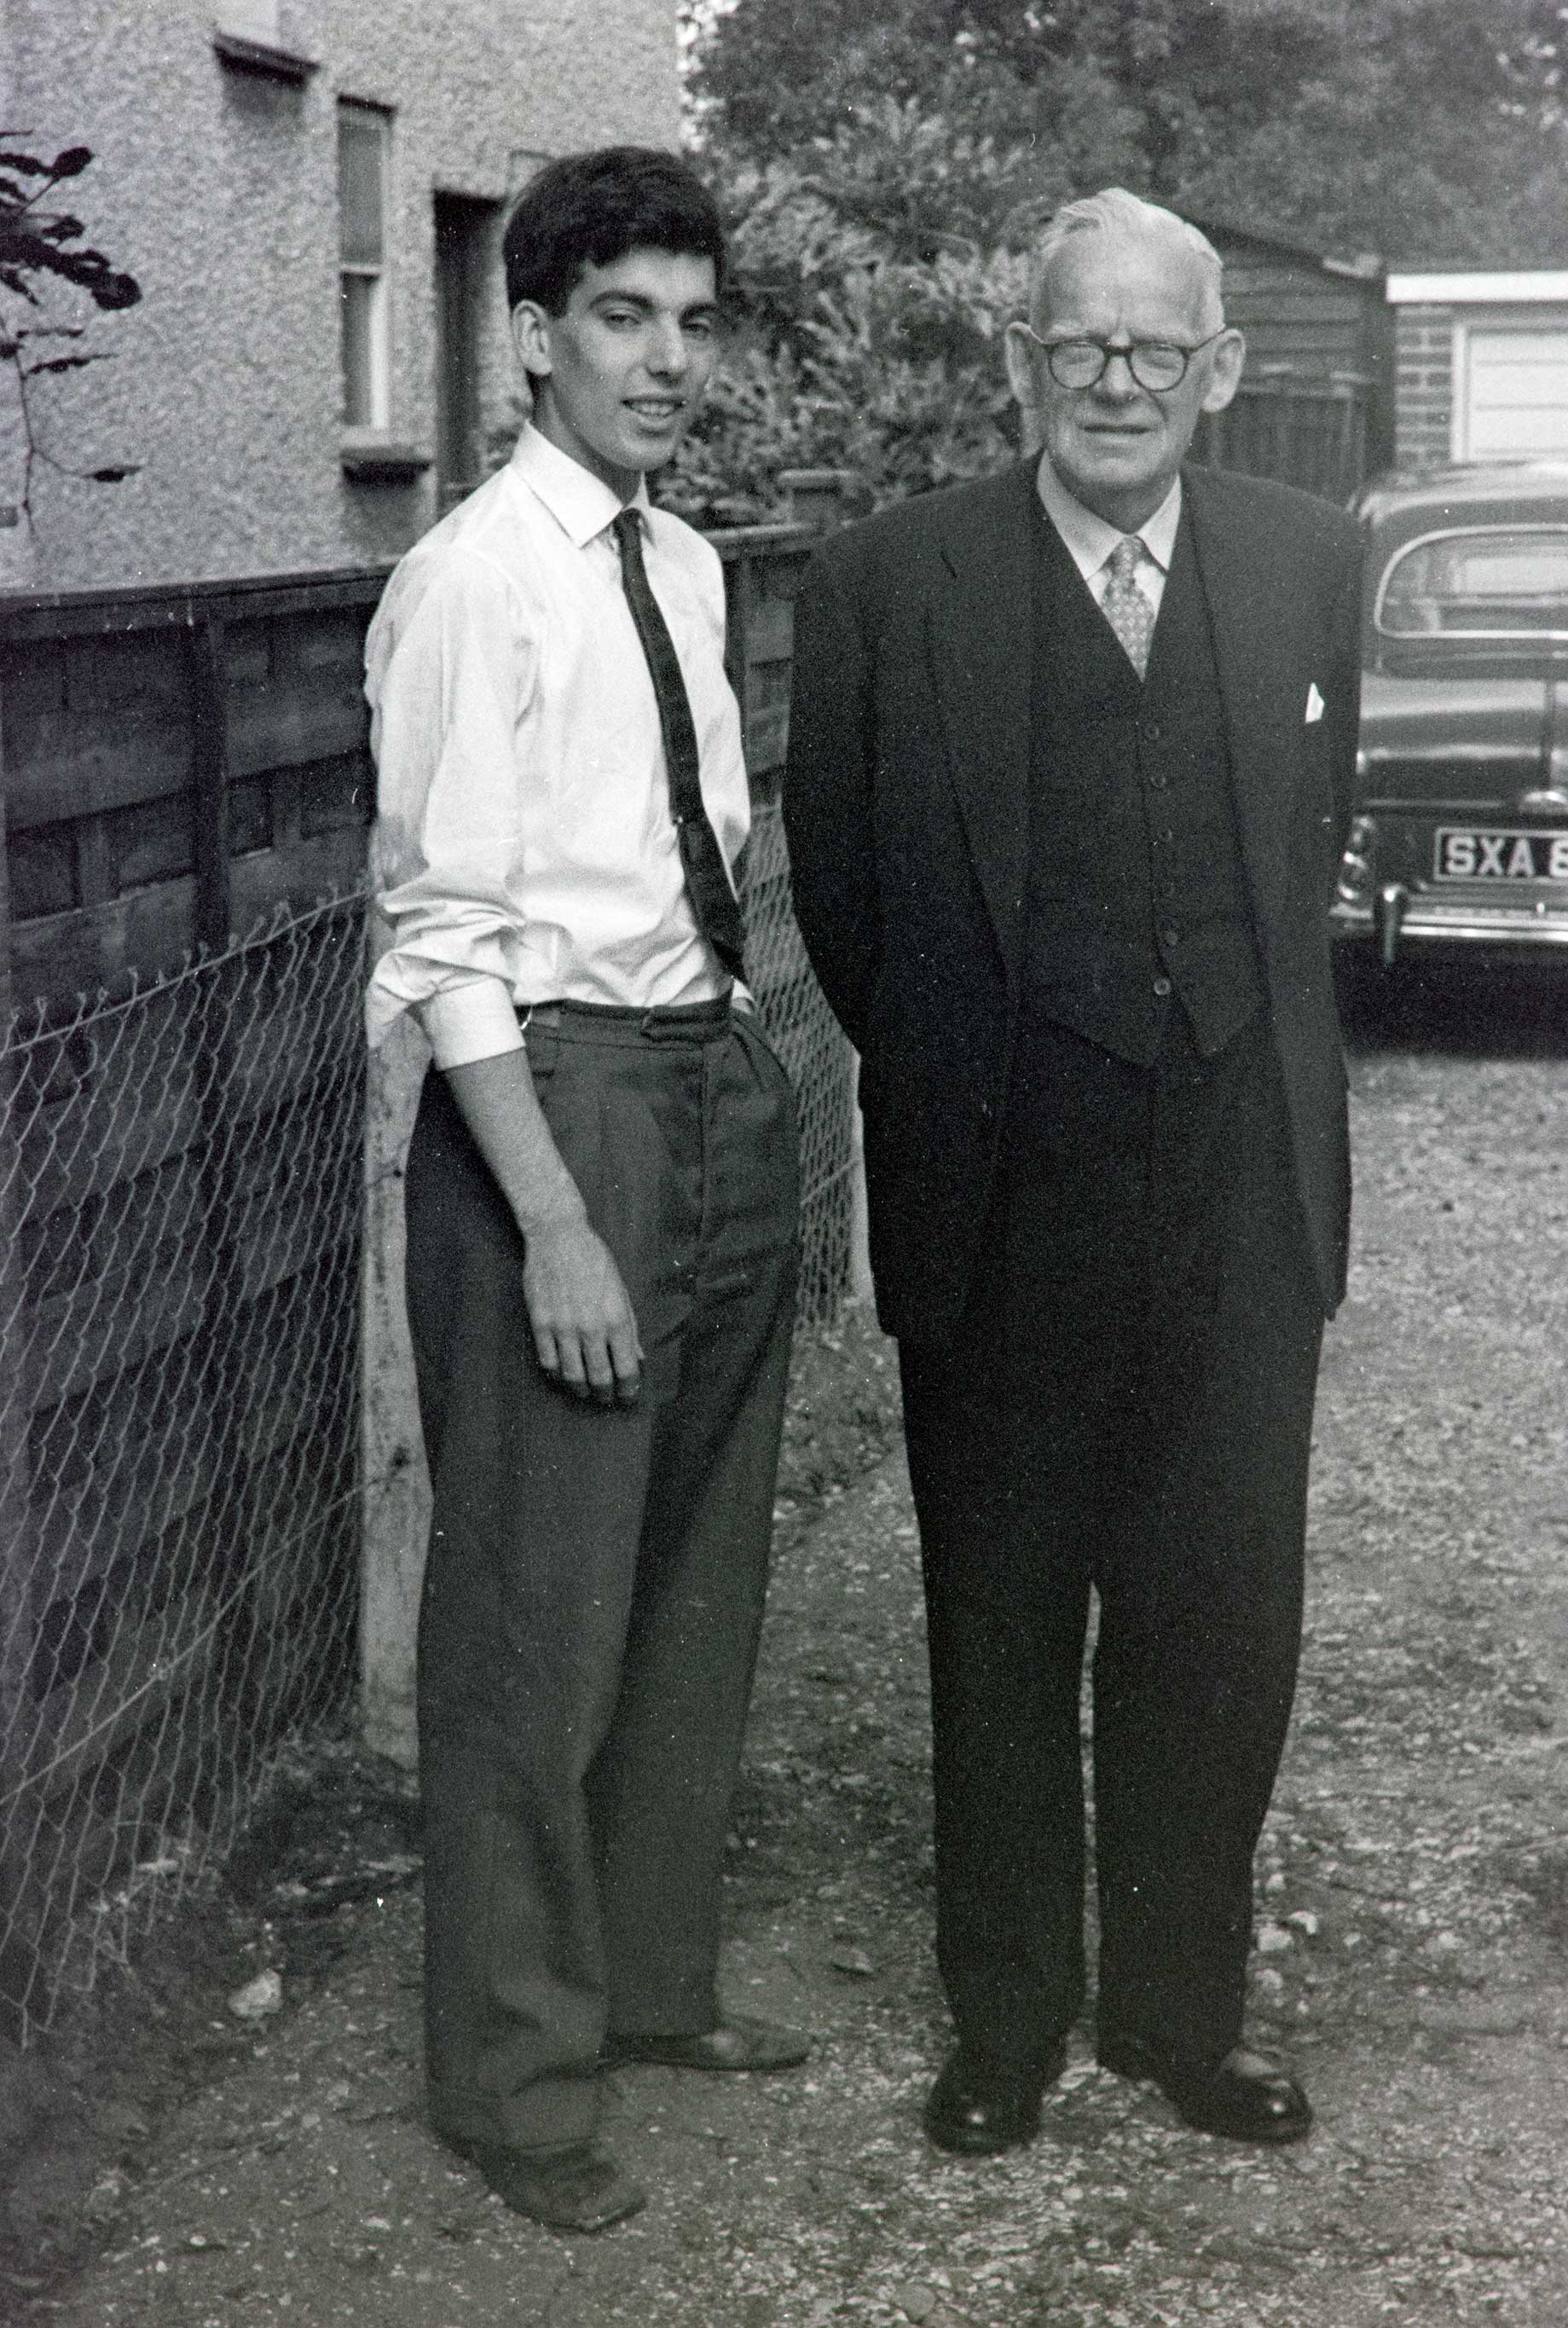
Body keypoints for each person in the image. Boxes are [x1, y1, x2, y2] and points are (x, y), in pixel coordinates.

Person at [783, 189, 1362, 2157]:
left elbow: (1307, 862)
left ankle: (1184, 2015)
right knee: (1004, 1619)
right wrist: (975, 1088)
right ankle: (1010, 2019)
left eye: (1155, 350)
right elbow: (848, 906)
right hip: (998, 1194)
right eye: (1075, 344)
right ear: (1018, 361)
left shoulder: (1308, 563)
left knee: (1222, 1617)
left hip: (1237, 1201)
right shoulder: (887, 582)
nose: (1113, 382)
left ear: (1218, 374)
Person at [365, 147, 806, 2234]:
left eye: (691, 320)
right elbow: (442, 941)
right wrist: (548, 1216)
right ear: (532, 334)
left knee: (697, 1577)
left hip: (703, 1085)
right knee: (539, 1616)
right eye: (620, 317)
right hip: (556, 1113)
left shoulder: (686, 568)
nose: (664, 359)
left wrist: (749, 1104)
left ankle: (642, 1990)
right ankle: (516, 2084)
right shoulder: (473, 577)